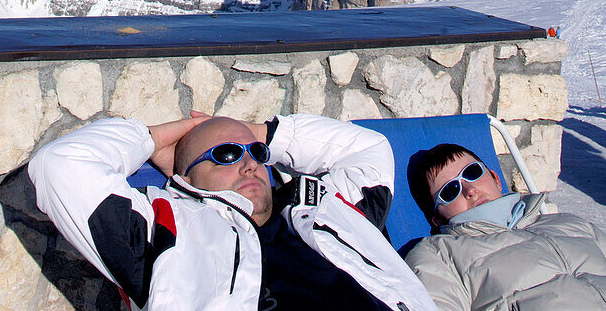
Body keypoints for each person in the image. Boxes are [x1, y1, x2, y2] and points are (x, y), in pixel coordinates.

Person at [29, 110, 438, 310]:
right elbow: (59, 166)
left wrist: (264, 134)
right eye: (224, 154)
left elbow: (368, 148)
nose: (248, 163)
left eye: (256, 153)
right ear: (184, 179)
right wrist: (155, 139)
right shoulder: (165, 230)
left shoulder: (329, 206)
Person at [404, 142, 606, 311]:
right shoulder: (439, 255)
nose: (470, 190)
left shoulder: (566, 222)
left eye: (472, 172)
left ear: (496, 179)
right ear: (437, 219)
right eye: (450, 190)